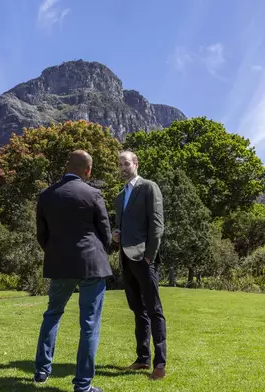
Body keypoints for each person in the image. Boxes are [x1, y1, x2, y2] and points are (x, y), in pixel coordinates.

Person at [33, 150, 112, 392]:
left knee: (53, 314)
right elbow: (106, 234)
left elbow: (42, 235)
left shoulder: (46, 195)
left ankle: (42, 370)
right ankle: (83, 385)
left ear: (67, 166)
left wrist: (57, 253)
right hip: (91, 264)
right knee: (89, 323)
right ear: (87, 171)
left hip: (59, 265)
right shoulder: (93, 194)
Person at [112, 150, 167, 381]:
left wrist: (149, 256)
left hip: (144, 259)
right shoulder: (119, 196)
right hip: (125, 258)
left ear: (136, 163)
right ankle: (142, 358)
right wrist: (116, 234)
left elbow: (156, 225)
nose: (122, 167)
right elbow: (123, 226)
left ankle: (160, 364)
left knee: (154, 311)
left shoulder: (148, 187)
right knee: (138, 310)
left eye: (126, 163)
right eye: (120, 164)